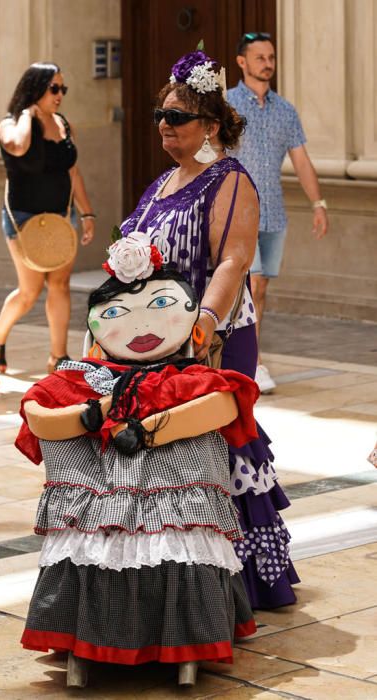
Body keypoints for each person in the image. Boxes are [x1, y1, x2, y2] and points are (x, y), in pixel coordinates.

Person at [15, 235, 258, 686]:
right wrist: (94, 412)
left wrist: (145, 430)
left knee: (178, 538)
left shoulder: (194, 377)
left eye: (161, 304)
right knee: (103, 539)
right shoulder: (81, 379)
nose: (141, 325)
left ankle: (181, 642)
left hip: (179, 496)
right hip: (99, 498)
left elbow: (223, 406)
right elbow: (38, 415)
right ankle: (96, 642)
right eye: (117, 315)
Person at [119, 49, 299, 609]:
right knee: (164, 451)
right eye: (161, 118)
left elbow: (234, 258)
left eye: (177, 118)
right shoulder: (163, 183)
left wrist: (206, 318)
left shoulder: (230, 179)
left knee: (215, 446)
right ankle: (168, 582)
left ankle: (236, 583)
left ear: (211, 125)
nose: (165, 128)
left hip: (214, 337)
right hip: (157, 339)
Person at [227, 32, 329, 393]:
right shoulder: (227, 106)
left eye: (270, 57)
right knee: (250, 285)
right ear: (242, 62)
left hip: (274, 213)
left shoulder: (285, 110)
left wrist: (318, 203)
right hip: (238, 212)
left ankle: (244, 357)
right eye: (259, 57)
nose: (267, 63)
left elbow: (301, 160)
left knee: (261, 287)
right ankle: (250, 363)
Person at [0, 62, 95, 375]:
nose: (59, 95)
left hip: (60, 217)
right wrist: (29, 115)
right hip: (24, 219)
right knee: (29, 292)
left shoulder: (63, 124)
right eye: (53, 88)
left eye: (63, 89)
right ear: (35, 89)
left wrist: (86, 212)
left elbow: (72, 170)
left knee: (60, 284)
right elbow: (17, 146)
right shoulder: (11, 123)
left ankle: (58, 357)